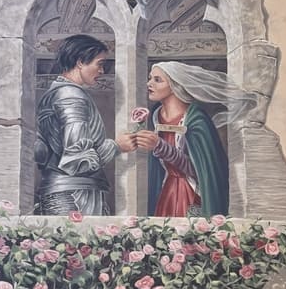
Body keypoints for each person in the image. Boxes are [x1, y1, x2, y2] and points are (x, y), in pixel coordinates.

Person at [135, 61, 257, 217]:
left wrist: (160, 146)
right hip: (167, 190)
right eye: (150, 78)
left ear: (175, 86)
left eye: (157, 80)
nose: (148, 83)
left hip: (192, 192)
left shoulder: (197, 119)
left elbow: (199, 170)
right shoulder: (156, 116)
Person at [34, 34, 136, 215]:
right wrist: (117, 146)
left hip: (62, 191)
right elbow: (77, 161)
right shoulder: (71, 96)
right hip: (73, 196)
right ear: (81, 62)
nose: (102, 71)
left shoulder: (55, 93)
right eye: (100, 63)